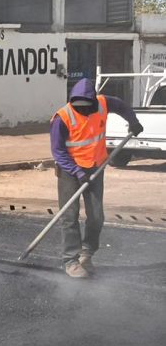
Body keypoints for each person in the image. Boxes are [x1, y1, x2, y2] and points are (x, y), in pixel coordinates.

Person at [50, 78, 143, 278]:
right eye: (79, 107)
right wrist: (77, 172)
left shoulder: (103, 103)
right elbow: (58, 152)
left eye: (86, 107)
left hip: (96, 168)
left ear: (93, 101)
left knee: (96, 216)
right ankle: (70, 260)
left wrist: (133, 121)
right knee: (69, 216)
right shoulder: (62, 118)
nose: (83, 110)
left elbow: (121, 105)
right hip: (70, 171)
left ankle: (87, 254)